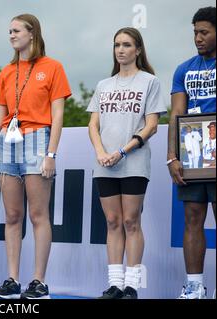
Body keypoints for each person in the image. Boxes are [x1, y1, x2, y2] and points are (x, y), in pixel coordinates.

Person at [0, 14, 71, 299]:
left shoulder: (53, 67)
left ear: (32, 34)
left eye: (16, 30)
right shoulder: (7, 71)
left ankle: (39, 282)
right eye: (9, 31)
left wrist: (51, 153)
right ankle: (12, 280)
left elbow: (57, 115)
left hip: (38, 138)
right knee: (12, 215)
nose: (11, 35)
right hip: (7, 140)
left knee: (38, 214)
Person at [87, 27, 166, 299]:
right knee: (112, 221)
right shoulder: (103, 85)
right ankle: (115, 285)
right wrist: (100, 152)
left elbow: (152, 125)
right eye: (117, 45)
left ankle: (131, 285)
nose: (120, 50)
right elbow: (93, 124)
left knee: (131, 221)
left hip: (133, 162)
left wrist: (122, 151)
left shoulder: (149, 82)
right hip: (104, 163)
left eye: (127, 45)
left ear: (138, 50)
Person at [167, 6, 216, 299]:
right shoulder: (184, 68)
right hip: (194, 152)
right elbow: (176, 114)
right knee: (193, 218)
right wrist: (173, 156)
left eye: (204, 32)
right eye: (195, 33)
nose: (197, 38)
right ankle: (195, 286)